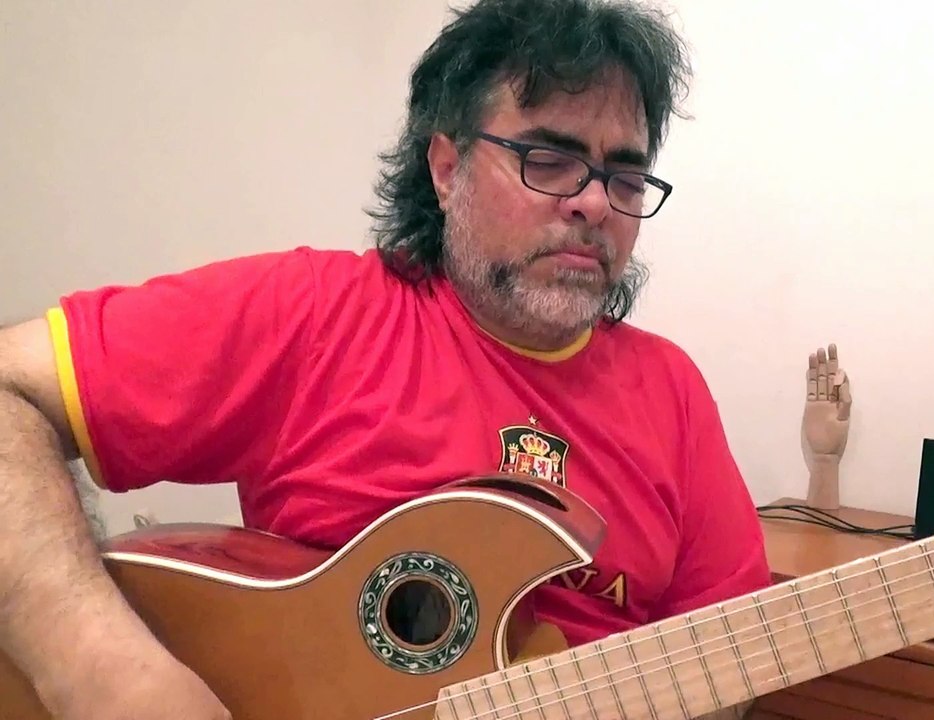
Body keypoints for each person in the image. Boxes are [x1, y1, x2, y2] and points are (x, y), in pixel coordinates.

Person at [0, 0, 772, 717]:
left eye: (625, 176)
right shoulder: (315, 316)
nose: (594, 202)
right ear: (447, 169)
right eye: (547, 158)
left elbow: (732, 667)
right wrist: (101, 672)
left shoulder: (671, 391)